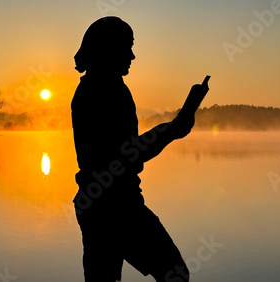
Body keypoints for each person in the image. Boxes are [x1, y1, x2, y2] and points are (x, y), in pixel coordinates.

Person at [71, 16, 209, 282]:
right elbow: (124, 154)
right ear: (108, 48)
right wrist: (175, 126)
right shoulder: (101, 91)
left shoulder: (104, 87)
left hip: (98, 203)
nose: (133, 55)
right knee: (175, 275)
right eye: (127, 46)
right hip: (115, 207)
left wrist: (178, 123)